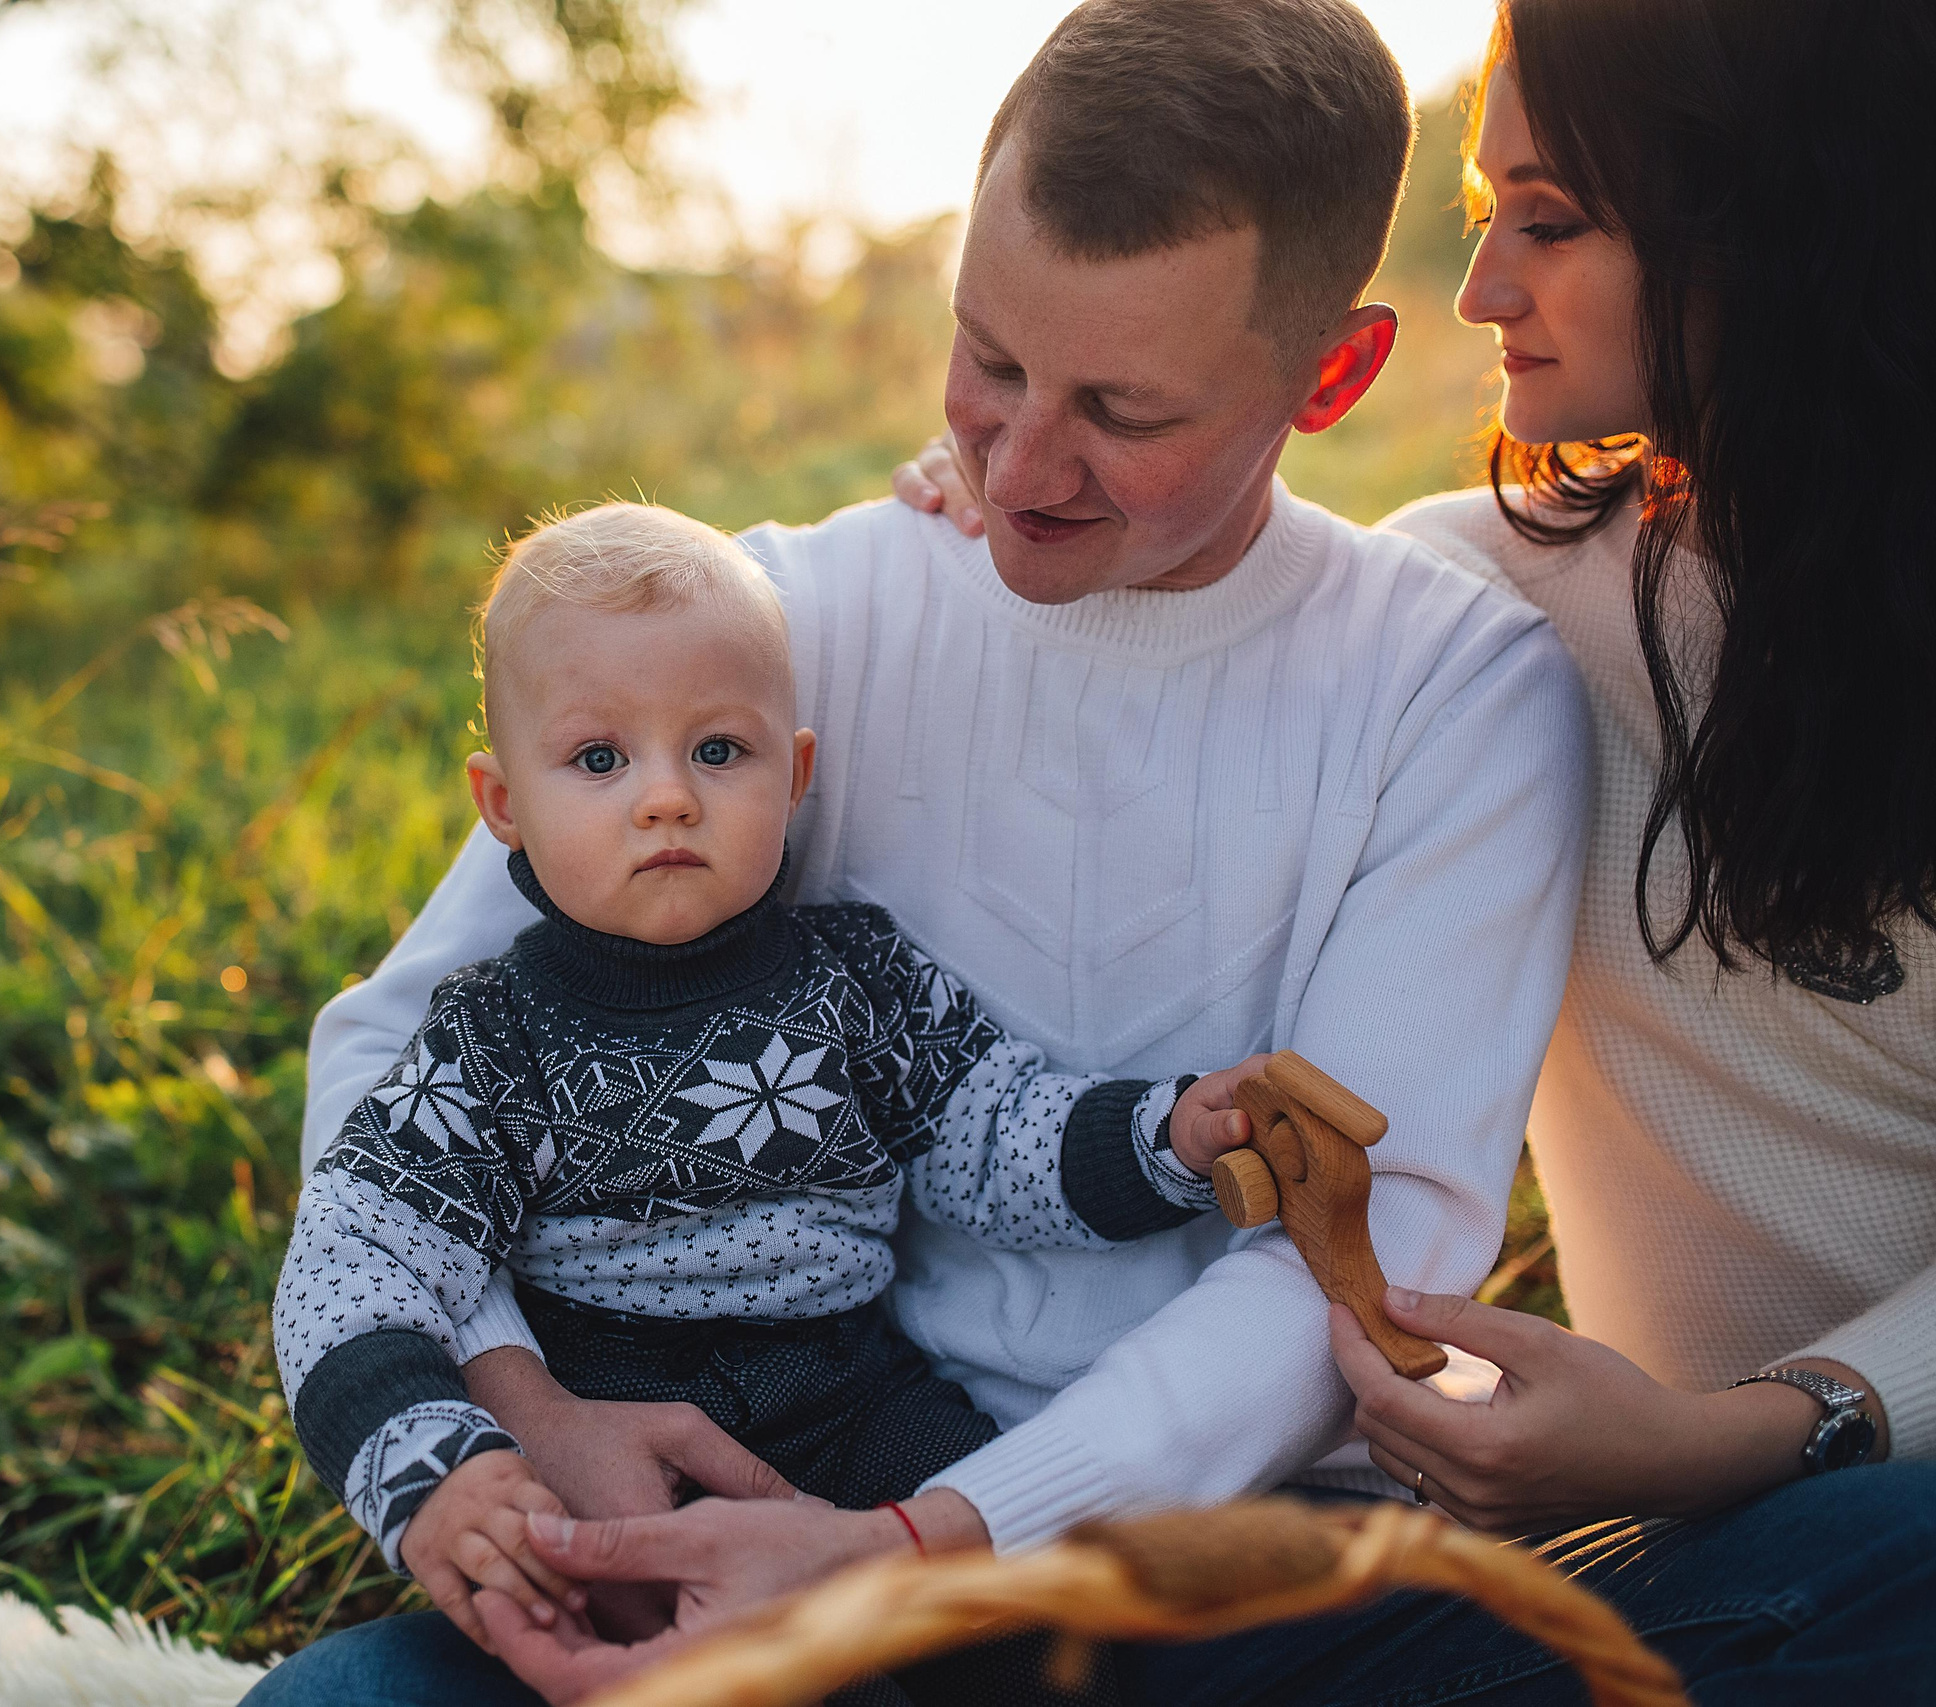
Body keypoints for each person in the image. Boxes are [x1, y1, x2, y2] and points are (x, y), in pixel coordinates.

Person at [250, 2, 1594, 1700]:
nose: (1020, 465)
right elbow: (400, 1053)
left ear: (1331, 374)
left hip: (1210, 1559)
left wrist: (918, 1547)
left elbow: (1357, 1266)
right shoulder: (791, 620)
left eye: (1121, 406)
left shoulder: (1453, 695)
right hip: (742, 1486)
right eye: (990, 357)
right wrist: (533, 1411)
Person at [888, 0, 1936, 1697]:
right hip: (1698, 1547)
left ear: (1774, 225)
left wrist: (1753, 1429)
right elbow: (1208, 579)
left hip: (1813, 1496)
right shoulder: (1480, 605)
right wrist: (985, 491)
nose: (1483, 287)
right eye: (1486, 205)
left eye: (1555, 218)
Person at [274, 500, 1261, 1655]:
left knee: (1014, 1636)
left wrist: (1171, 1138)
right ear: (504, 806)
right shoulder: (493, 1042)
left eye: (717, 750)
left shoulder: (857, 977)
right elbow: (356, 1261)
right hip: (610, 1425)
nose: (666, 796)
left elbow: (995, 1138)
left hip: (855, 1396)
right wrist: (443, 1472)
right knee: (649, 1655)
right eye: (599, 758)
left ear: (793, 775)